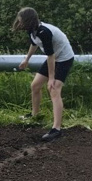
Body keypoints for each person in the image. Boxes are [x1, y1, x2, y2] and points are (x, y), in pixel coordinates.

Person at [13, 7, 74, 142]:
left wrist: (51, 78)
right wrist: (26, 60)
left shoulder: (44, 32)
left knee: (54, 89)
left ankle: (56, 129)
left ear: (28, 20)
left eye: (21, 19)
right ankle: (35, 115)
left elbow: (50, 56)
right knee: (35, 86)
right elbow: (34, 44)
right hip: (53, 58)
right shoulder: (32, 30)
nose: (19, 22)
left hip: (63, 59)